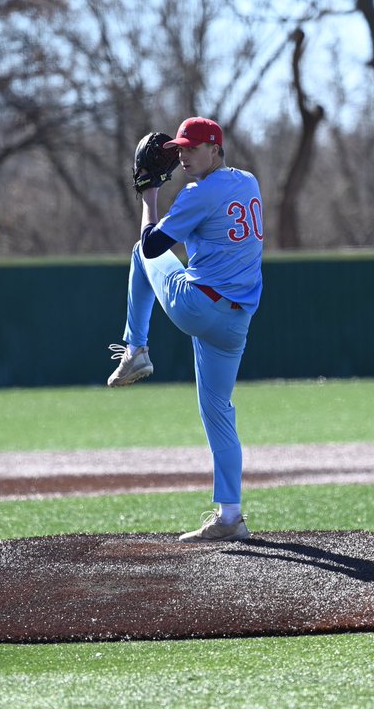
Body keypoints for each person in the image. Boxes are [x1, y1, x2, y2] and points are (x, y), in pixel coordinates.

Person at [107, 117, 264, 543]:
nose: (182, 155)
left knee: (139, 252)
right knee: (218, 412)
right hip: (235, 322)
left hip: (198, 305)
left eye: (192, 148)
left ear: (215, 149)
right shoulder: (247, 181)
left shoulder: (199, 192)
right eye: (180, 148)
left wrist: (150, 196)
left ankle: (135, 348)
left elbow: (153, 245)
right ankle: (230, 516)